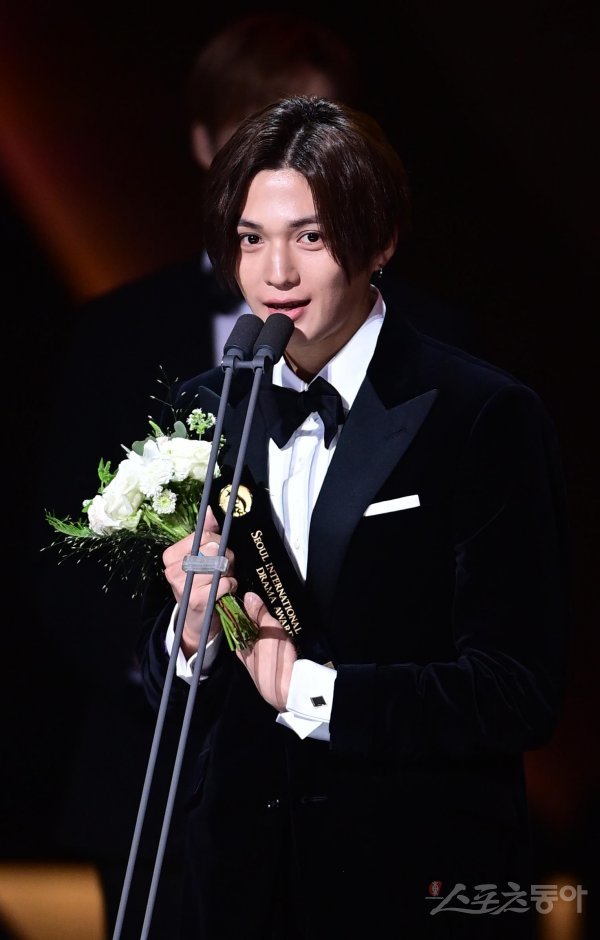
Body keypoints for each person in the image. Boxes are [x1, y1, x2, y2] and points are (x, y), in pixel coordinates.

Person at [138, 95, 568, 939]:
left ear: (381, 241)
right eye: (251, 239)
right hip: (235, 889)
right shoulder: (205, 414)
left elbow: (518, 692)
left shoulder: (480, 414)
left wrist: (317, 693)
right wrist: (188, 643)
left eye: (311, 236)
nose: (276, 273)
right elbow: (172, 688)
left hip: (415, 883)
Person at [32, 14, 400, 940]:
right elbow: (59, 553)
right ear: (204, 143)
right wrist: (172, 657)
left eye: (312, 125)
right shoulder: (116, 332)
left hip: (359, 778)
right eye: (255, 126)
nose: (286, 153)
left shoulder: (434, 351)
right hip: (157, 779)